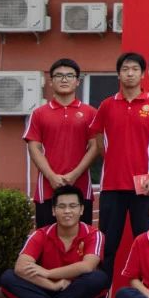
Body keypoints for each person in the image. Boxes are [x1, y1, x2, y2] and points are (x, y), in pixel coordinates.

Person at [88, 51, 149, 276]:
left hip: (144, 185)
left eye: (135, 69)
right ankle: (102, 290)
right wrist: (114, 160)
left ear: (143, 74)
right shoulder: (107, 105)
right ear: (118, 74)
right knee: (107, 242)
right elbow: (98, 139)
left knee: (146, 241)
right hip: (112, 185)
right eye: (125, 70)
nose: (130, 74)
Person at [0, 185, 109, 298]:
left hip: (77, 293)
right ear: (53, 210)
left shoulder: (94, 234)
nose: (67, 211)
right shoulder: (40, 234)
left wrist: (48, 273)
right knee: (8, 277)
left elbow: (87, 266)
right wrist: (53, 285)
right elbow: (21, 267)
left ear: (81, 209)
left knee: (99, 278)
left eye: (73, 206)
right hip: (47, 287)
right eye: (62, 206)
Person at [24, 58, 98, 226]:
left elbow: (95, 147)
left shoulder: (90, 113)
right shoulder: (39, 113)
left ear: (77, 81)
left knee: (82, 238)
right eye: (59, 76)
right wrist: (51, 176)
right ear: (51, 82)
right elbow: (34, 147)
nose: (64, 79)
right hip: (47, 189)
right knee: (46, 237)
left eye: (69, 76)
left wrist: (74, 174)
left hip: (81, 188)